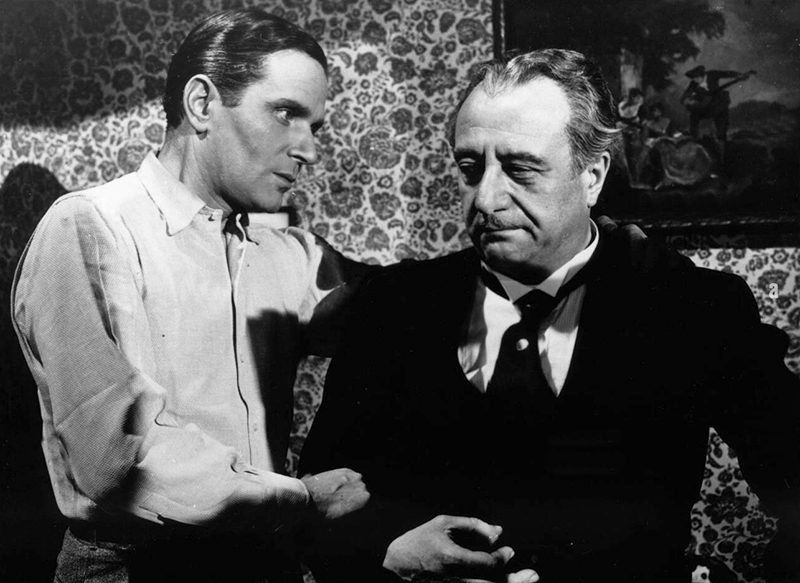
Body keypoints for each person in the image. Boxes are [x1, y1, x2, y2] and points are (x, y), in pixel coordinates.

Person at [299, 49, 800, 583]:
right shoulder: (392, 304)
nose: (485, 199)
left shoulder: (695, 306)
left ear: (593, 176)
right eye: (470, 169)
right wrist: (389, 549)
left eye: (520, 169)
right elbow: (323, 498)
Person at [11, 9, 373, 583]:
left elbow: (401, 310)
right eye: (285, 113)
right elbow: (123, 459)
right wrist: (301, 501)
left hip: (265, 563)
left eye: (316, 126)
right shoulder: (90, 226)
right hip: (136, 567)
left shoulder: (287, 252)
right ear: (202, 104)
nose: (308, 150)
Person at [680, 65, 755, 157]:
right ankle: (695, 141)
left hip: (719, 105)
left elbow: (726, 74)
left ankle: (723, 151)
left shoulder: (712, 75)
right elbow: (684, 97)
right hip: (705, 107)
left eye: (697, 77)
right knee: (694, 117)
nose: (695, 80)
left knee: (721, 130)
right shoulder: (693, 84)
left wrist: (740, 75)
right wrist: (687, 101)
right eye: (693, 78)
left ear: (702, 75)